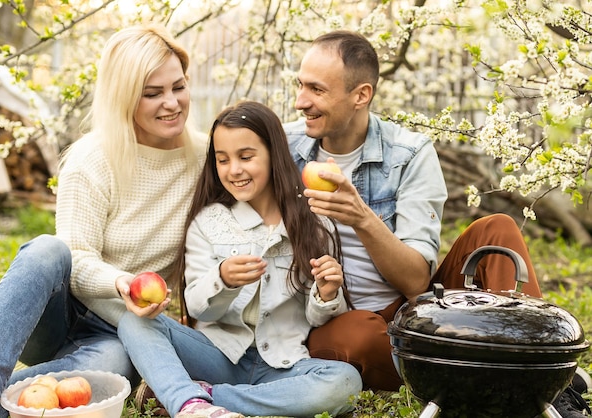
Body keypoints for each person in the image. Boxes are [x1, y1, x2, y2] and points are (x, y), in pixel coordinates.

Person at [283, 29, 590, 417]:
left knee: (498, 228)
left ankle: (541, 374)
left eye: (316, 90)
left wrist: (361, 216)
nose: (300, 102)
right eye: (300, 85)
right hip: (338, 315)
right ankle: (498, 379)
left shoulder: (409, 154)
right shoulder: (283, 147)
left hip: (418, 312)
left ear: (361, 95)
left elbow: (415, 282)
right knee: (358, 334)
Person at [0, 24, 206, 418]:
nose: (172, 102)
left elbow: (269, 144)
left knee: (109, 376)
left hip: (121, 329)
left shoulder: (205, 161)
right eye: (152, 93)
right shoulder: (92, 159)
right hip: (59, 313)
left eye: (178, 87)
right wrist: (121, 282)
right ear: (125, 97)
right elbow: (75, 257)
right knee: (48, 249)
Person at [117, 100, 362, 418]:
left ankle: (199, 397)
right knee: (133, 320)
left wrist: (326, 294)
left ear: (274, 154)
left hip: (282, 363)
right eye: (223, 160)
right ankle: (190, 404)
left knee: (345, 381)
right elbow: (198, 307)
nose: (234, 170)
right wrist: (223, 279)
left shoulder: (314, 224)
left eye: (246, 157)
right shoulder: (209, 223)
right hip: (216, 355)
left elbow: (317, 320)